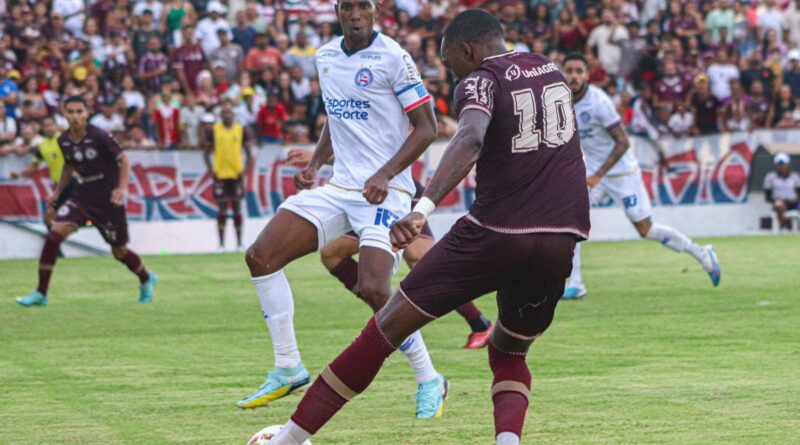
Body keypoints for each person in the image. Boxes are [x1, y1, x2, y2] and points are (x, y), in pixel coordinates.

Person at [264, 10, 590, 445]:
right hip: (561, 238)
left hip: (495, 232)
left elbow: (470, 137)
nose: (449, 73)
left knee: (382, 330)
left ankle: (288, 439)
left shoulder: (478, 80)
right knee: (509, 350)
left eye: (448, 62)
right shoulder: (548, 69)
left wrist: (422, 209)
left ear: (467, 50)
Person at [237, 0, 448, 419]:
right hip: (340, 187)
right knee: (260, 256)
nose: (356, 14)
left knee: (374, 287)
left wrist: (386, 175)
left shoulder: (393, 57)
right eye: (348, 6)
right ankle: (288, 366)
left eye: (363, 7)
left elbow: (428, 127)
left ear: (375, 11)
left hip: (385, 193)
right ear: (337, 12)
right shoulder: (326, 56)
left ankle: (429, 378)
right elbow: (337, 117)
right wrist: (316, 164)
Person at [285, 148, 494, 349]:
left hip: (395, 191)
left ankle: (479, 325)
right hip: (368, 196)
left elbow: (381, 151)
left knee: (422, 262)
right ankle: (388, 316)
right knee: (332, 253)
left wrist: (318, 158)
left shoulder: (399, 114)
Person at [560, 53, 721, 300]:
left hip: (622, 173)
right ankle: (576, 282)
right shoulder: (562, 100)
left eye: (578, 71)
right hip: (592, 173)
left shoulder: (599, 102)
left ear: (587, 75)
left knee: (645, 229)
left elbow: (623, 142)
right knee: (570, 220)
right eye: (569, 70)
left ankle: (702, 254)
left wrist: (598, 175)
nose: (573, 76)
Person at [15, 96, 157, 307]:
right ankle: (41, 293)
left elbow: (124, 159)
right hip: (82, 195)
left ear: (87, 113)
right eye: (71, 112)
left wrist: (121, 188)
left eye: (79, 111)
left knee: (119, 251)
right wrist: (58, 192)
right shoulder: (63, 140)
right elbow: (69, 167)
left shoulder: (100, 136)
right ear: (64, 114)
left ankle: (146, 278)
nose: (75, 116)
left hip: (108, 199)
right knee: (53, 236)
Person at [11, 117, 76, 233]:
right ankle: (56, 246)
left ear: (56, 126)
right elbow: (34, 166)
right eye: (46, 126)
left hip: (74, 181)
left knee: (81, 212)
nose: (48, 128)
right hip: (59, 186)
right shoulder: (42, 145)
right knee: (48, 216)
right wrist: (19, 174)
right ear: (42, 129)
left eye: (51, 125)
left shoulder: (64, 138)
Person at [203, 105, 253, 252]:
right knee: (222, 209)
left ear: (233, 115)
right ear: (220, 116)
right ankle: (221, 244)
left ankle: (239, 243)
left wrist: (244, 170)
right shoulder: (214, 131)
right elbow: (206, 153)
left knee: (237, 208)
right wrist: (211, 170)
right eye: (224, 112)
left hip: (236, 174)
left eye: (229, 112)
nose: (227, 115)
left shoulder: (241, 130)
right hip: (220, 174)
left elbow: (249, 153)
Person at [764, 152, 800, 231]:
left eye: (783, 164)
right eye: (779, 164)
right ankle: (786, 227)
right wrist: (775, 200)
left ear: (787, 164)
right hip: (779, 203)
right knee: (779, 205)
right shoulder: (771, 177)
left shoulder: (795, 177)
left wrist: (796, 198)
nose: (782, 166)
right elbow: (767, 196)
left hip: (793, 203)